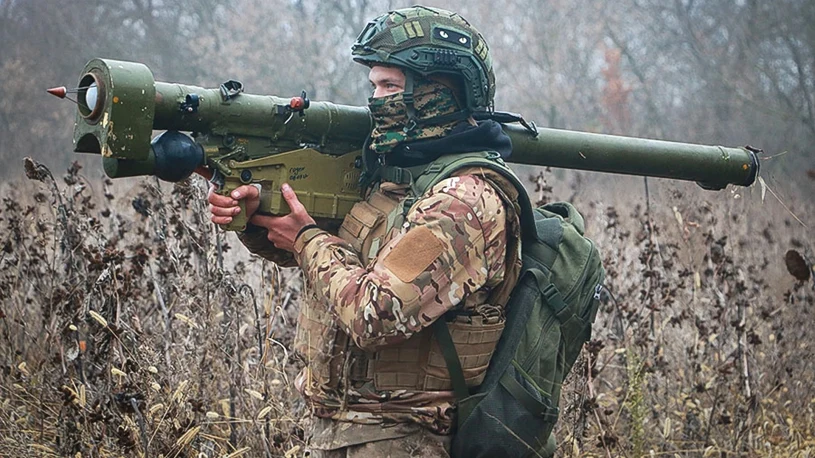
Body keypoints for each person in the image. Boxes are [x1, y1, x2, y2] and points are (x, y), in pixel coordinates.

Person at [208, 6, 524, 457]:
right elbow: (340, 260)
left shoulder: (461, 202)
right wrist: (263, 218)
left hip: (404, 437)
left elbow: (375, 313)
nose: (376, 101)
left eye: (390, 86)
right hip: (343, 427)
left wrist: (305, 238)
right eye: (373, 86)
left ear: (442, 91)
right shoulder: (398, 179)